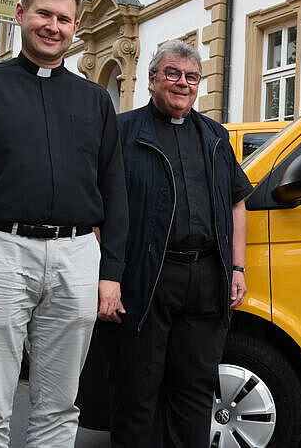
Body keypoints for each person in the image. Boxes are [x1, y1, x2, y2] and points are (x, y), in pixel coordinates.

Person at [0, 0, 128, 446]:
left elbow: (114, 188)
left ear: (76, 27)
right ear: (21, 15)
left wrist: (111, 273)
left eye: (63, 19)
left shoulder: (95, 99)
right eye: (43, 14)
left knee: (60, 405)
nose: (52, 26)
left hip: (77, 254)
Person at [107, 40, 252, 446]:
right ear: (152, 80)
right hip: (146, 279)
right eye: (172, 74)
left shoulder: (215, 136)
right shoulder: (122, 133)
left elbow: (238, 202)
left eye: (191, 77)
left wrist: (237, 268)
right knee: (138, 391)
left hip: (206, 278)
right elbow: (100, 209)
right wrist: (109, 275)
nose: (182, 84)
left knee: (194, 392)